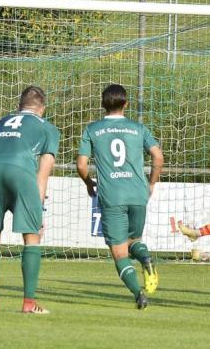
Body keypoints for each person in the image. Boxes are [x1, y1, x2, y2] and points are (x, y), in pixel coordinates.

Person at [77, 84, 164, 310]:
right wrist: (151, 183)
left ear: (102, 104)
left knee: (119, 252)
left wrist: (88, 183)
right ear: (126, 104)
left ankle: (138, 293)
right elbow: (158, 157)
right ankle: (145, 259)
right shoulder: (138, 128)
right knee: (134, 240)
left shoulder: (92, 129)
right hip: (138, 193)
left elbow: (81, 165)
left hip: (112, 195)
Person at [0, 86, 60, 314]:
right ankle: (28, 303)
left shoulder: (1, 122)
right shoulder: (48, 128)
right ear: (42, 108)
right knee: (32, 235)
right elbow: (42, 174)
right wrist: (39, 209)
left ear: (19, 106)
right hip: (20, 170)